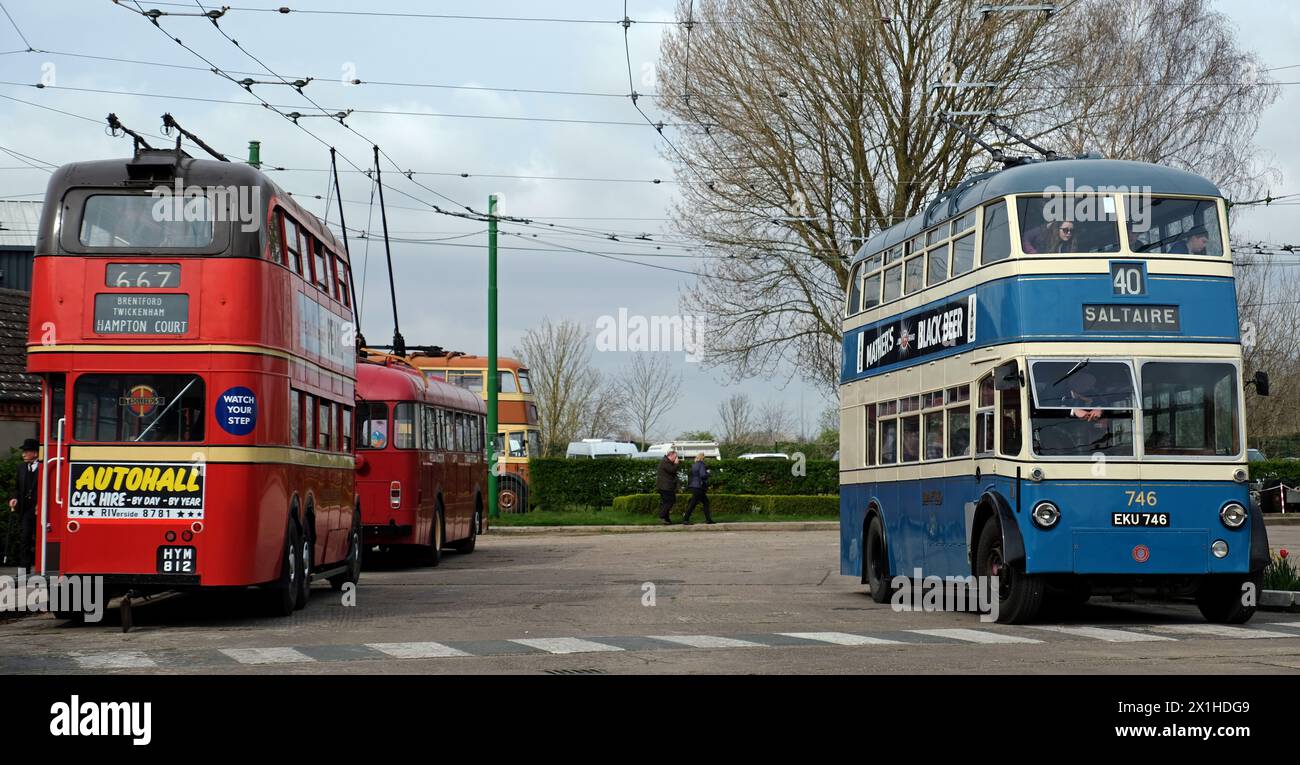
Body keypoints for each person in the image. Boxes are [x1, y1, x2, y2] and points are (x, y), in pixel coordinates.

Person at [8, 438, 40, 574]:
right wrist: (14, 498)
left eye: (27, 452)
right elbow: (16, 487)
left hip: (40, 510)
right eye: (23, 452)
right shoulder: (20, 468)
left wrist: (41, 504)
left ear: (36, 453)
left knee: (40, 541)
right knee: (24, 539)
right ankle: (23, 573)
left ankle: (41, 570)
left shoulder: (45, 467)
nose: (23, 454)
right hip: (26, 510)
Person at [682, 453, 714, 525]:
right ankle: (685, 519)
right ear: (702, 458)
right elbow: (703, 475)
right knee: (693, 503)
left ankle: (708, 519)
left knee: (705, 502)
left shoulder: (694, 465)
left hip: (694, 486)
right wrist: (708, 473)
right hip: (699, 487)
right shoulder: (702, 464)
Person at [655, 448, 680, 525]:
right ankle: (662, 516)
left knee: (666, 502)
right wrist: (676, 464)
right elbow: (672, 470)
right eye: (675, 457)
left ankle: (666, 519)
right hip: (665, 486)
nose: (676, 459)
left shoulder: (666, 461)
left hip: (665, 486)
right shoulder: (665, 462)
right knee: (670, 501)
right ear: (671, 455)